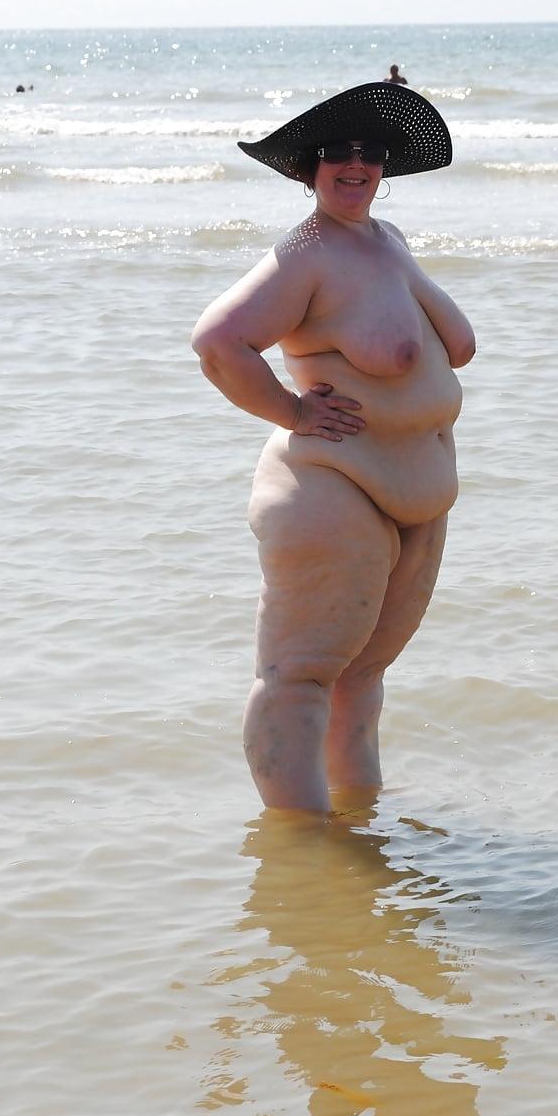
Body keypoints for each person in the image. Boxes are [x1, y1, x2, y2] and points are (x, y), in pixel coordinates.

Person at [191, 83, 474, 812]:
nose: (356, 165)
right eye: (338, 153)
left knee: (361, 679)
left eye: (370, 152)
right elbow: (219, 342)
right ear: (309, 167)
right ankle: (298, 851)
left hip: (414, 500)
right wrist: (292, 411)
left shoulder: (388, 239)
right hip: (333, 489)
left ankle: (355, 834)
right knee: (299, 679)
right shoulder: (306, 253)